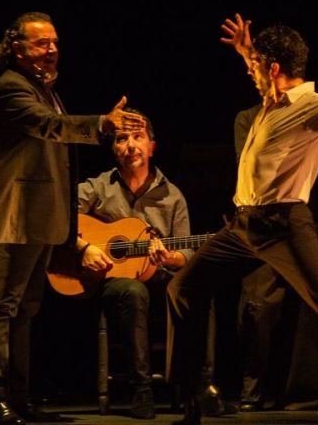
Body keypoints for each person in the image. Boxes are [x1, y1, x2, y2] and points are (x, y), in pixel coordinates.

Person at [166, 14, 318, 425]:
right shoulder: (272, 101)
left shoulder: (313, 107)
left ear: (275, 69)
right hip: (243, 226)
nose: (250, 73)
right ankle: (195, 397)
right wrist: (248, 50)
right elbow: (264, 69)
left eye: (255, 67)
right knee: (183, 288)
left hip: (284, 225)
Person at [0, 11, 145, 425]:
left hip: (39, 220)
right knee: (2, 307)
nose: (52, 50)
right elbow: (50, 127)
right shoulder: (11, 89)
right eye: (41, 43)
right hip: (12, 219)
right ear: (17, 49)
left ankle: (19, 398)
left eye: (54, 42)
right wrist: (100, 124)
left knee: (27, 308)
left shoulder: (44, 88)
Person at [76, 109, 224, 419]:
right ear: (113, 148)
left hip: (159, 275)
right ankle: (141, 389)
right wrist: (85, 246)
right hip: (109, 280)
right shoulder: (97, 187)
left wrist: (169, 257)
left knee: (199, 290)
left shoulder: (173, 196)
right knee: (132, 291)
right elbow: (58, 216)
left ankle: (202, 385)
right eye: (121, 138)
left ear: (152, 146)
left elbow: (186, 253)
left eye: (138, 137)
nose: (131, 145)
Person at [233, 104, 318, 412]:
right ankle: (253, 389)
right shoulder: (248, 119)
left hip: (300, 216)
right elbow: (251, 168)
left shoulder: (309, 112)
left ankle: (303, 393)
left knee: (308, 305)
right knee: (257, 303)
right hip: (262, 221)